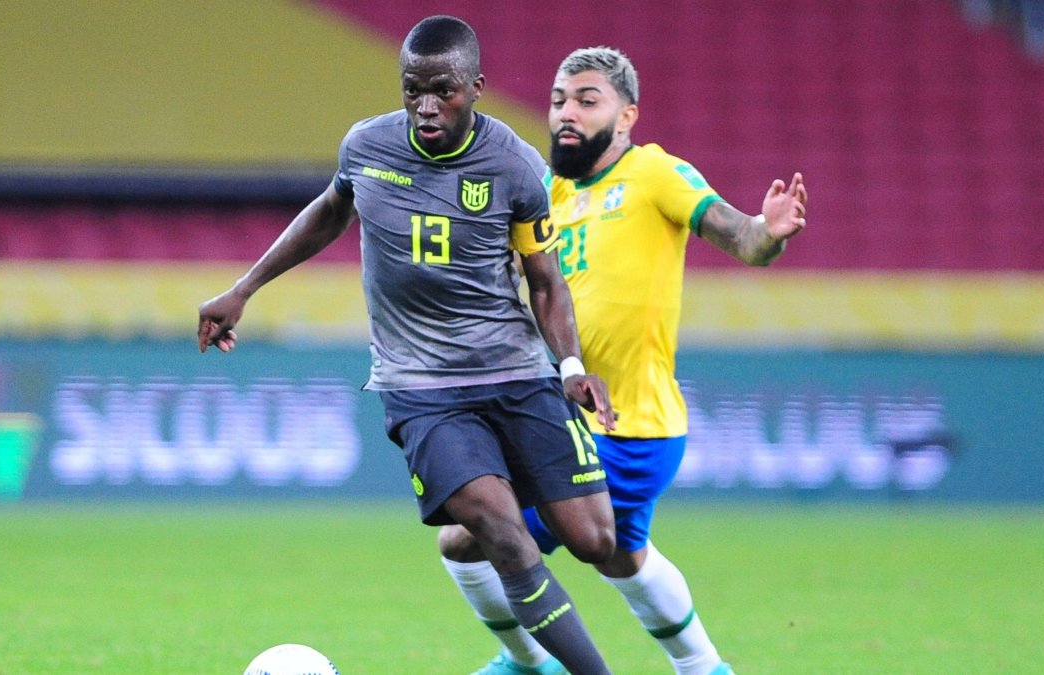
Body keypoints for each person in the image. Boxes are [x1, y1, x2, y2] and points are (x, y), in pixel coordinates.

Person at [197, 19, 622, 675]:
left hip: (515, 373)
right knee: (510, 541)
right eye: (412, 90)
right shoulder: (367, 146)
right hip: (422, 390)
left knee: (596, 539)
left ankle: (473, 526)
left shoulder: (513, 166)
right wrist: (243, 288)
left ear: (475, 88)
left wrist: (570, 366)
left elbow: (545, 279)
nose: (426, 105)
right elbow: (331, 210)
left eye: (442, 91)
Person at [437, 47, 808, 675]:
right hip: (565, 421)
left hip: (629, 426)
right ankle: (704, 669)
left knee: (470, 537)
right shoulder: (546, 192)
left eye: (587, 100)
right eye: (558, 101)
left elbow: (738, 235)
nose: (566, 114)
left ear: (627, 115)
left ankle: (528, 663)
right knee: (621, 557)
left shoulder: (654, 174)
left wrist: (766, 232)